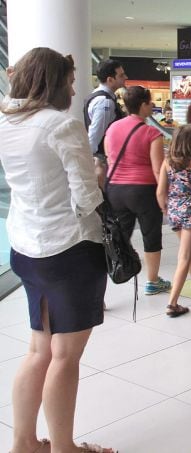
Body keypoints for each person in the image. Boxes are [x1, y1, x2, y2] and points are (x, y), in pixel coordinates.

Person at [0, 47, 116, 453]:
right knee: (65, 357)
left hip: (26, 246)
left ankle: (24, 443)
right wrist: (98, 177)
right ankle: (65, 448)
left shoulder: (7, 120)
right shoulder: (60, 126)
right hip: (67, 249)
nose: (72, 88)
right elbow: (86, 198)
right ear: (54, 82)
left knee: (38, 349)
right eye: (69, 81)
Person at [104, 85, 171, 296]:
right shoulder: (151, 132)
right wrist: (164, 196)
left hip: (115, 189)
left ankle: (113, 275)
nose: (152, 106)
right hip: (143, 190)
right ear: (143, 105)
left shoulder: (112, 128)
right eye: (149, 102)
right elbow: (157, 168)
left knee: (118, 236)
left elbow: (109, 157)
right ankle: (152, 282)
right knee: (151, 235)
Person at [156, 124, 191, 317]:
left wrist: (165, 208)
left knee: (187, 250)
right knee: (184, 256)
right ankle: (172, 303)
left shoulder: (168, 161)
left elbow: (160, 191)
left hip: (174, 210)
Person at [84, 59, 127, 160]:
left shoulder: (101, 97)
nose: (126, 77)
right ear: (110, 80)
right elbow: (95, 134)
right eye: (121, 75)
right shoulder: (105, 102)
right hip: (103, 160)